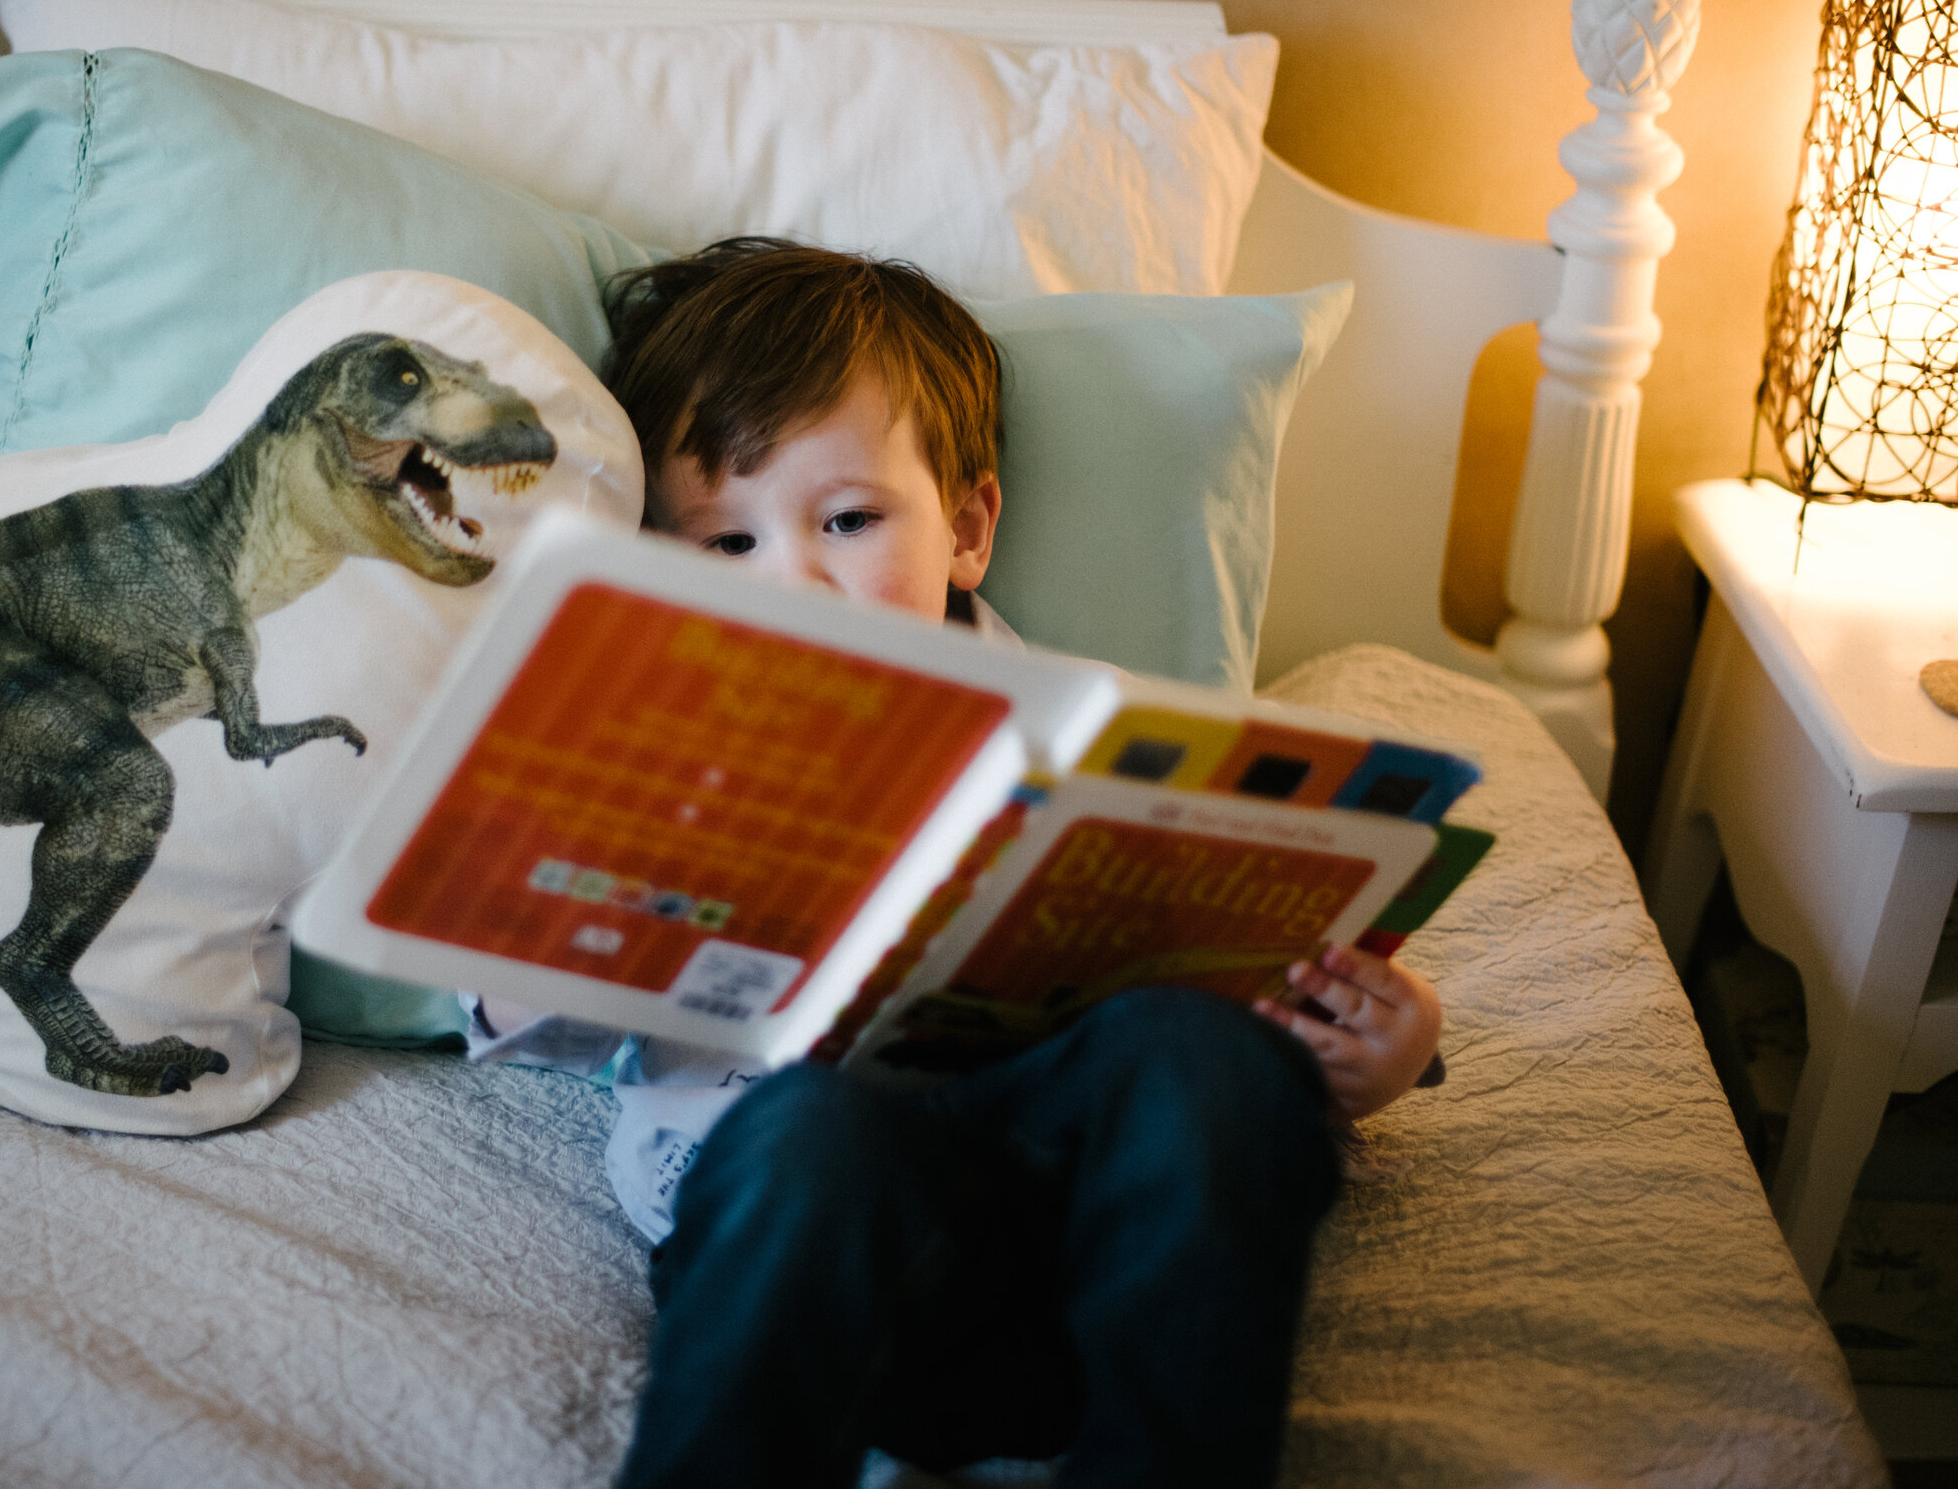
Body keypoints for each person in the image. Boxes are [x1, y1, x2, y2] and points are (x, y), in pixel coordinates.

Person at [469, 238, 1443, 1489]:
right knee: (814, 1129)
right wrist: (567, 933)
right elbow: (510, 1005)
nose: (799, 581)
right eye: (724, 546)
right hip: (818, 1269)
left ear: (968, 525)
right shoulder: (646, 762)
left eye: (849, 520)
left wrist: (1391, 1046)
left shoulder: (1095, 732)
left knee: (1198, 1053)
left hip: (1103, 1261)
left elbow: (1288, 948)